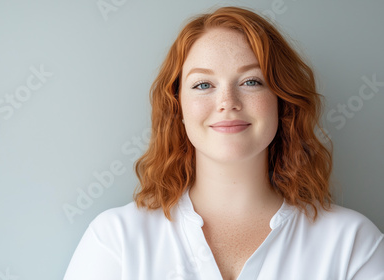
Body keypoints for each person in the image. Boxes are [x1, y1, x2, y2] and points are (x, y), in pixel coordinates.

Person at [63, 5, 384, 280]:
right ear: (178, 106)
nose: (227, 102)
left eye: (251, 81)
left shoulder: (352, 244)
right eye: (203, 84)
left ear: (282, 102)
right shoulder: (116, 239)